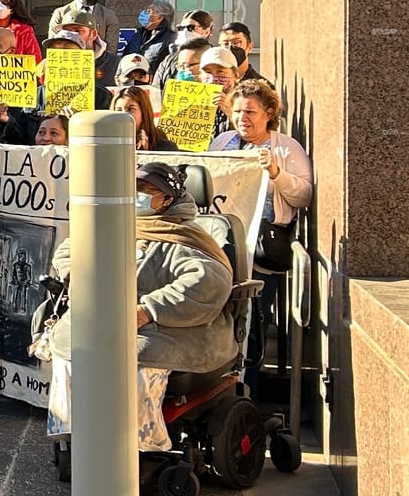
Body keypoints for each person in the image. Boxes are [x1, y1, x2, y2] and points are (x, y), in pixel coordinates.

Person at [34, 161, 236, 374]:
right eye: (133, 188)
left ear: (167, 199)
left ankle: (132, 408)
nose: (136, 195)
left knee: (133, 356)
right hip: (100, 318)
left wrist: (148, 310)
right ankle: (67, 409)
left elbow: (208, 283)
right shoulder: (112, 223)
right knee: (69, 343)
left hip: (155, 329)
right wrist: (81, 278)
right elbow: (70, 250)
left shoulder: (183, 236)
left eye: (145, 191)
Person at [210, 79, 314, 385]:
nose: (243, 118)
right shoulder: (222, 142)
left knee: (254, 322)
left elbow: (303, 195)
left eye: (251, 111)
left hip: (260, 250)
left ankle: (249, 386)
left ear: (268, 113)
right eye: (238, 110)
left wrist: (277, 174)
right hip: (222, 245)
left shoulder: (285, 147)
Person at [50, 0, 120, 71]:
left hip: (98, 72)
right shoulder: (60, 14)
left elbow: (111, 50)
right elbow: (53, 47)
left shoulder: (109, 16)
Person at [110, 86, 177, 151]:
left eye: (130, 109)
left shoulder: (166, 147)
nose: (124, 115)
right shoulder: (108, 143)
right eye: (118, 110)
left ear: (144, 112)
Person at [133, 0, 178, 79]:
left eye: (150, 11)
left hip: (154, 83)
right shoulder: (139, 33)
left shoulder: (171, 38)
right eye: (147, 10)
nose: (145, 14)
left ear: (160, 17)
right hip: (133, 80)